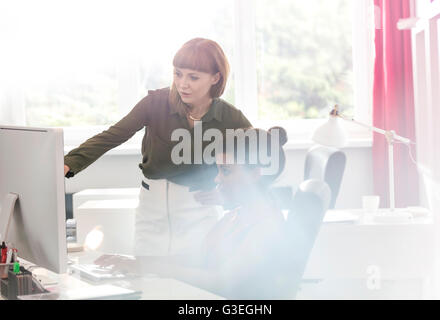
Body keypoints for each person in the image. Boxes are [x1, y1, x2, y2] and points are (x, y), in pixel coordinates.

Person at [64, 38, 252, 256]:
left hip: (199, 216)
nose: (183, 84)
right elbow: (113, 135)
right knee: (149, 281)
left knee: (195, 284)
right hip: (151, 213)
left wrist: (229, 196)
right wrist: (67, 163)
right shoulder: (156, 103)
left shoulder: (230, 118)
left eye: (193, 77)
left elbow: (260, 167)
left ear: (215, 77)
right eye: (178, 73)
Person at [95, 127, 301, 299]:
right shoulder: (237, 215)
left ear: (255, 173)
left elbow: (220, 281)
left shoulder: (266, 226)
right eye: (218, 170)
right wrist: (140, 263)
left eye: (226, 171)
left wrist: (150, 268)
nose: (217, 179)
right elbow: (200, 259)